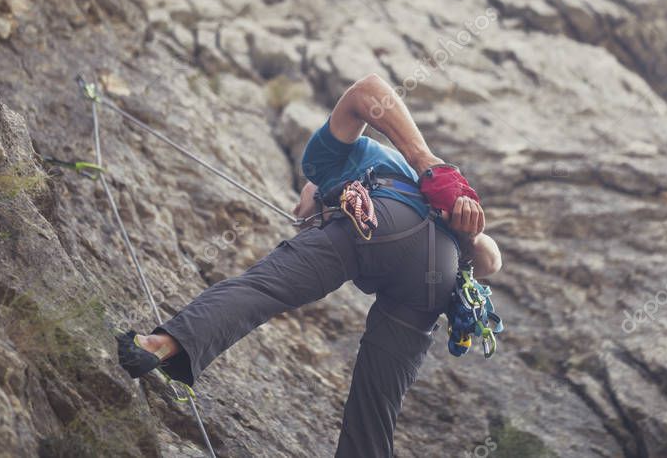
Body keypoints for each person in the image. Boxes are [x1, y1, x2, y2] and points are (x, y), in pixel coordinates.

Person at [118, 73, 502, 457]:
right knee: (377, 402)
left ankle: (162, 344)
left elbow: (367, 89)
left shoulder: (324, 164)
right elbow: (489, 262)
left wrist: (425, 160)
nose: (297, 215)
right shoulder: (429, 204)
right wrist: (466, 234)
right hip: (436, 272)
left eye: (300, 210)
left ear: (314, 193)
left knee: (263, 288)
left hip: (381, 218)